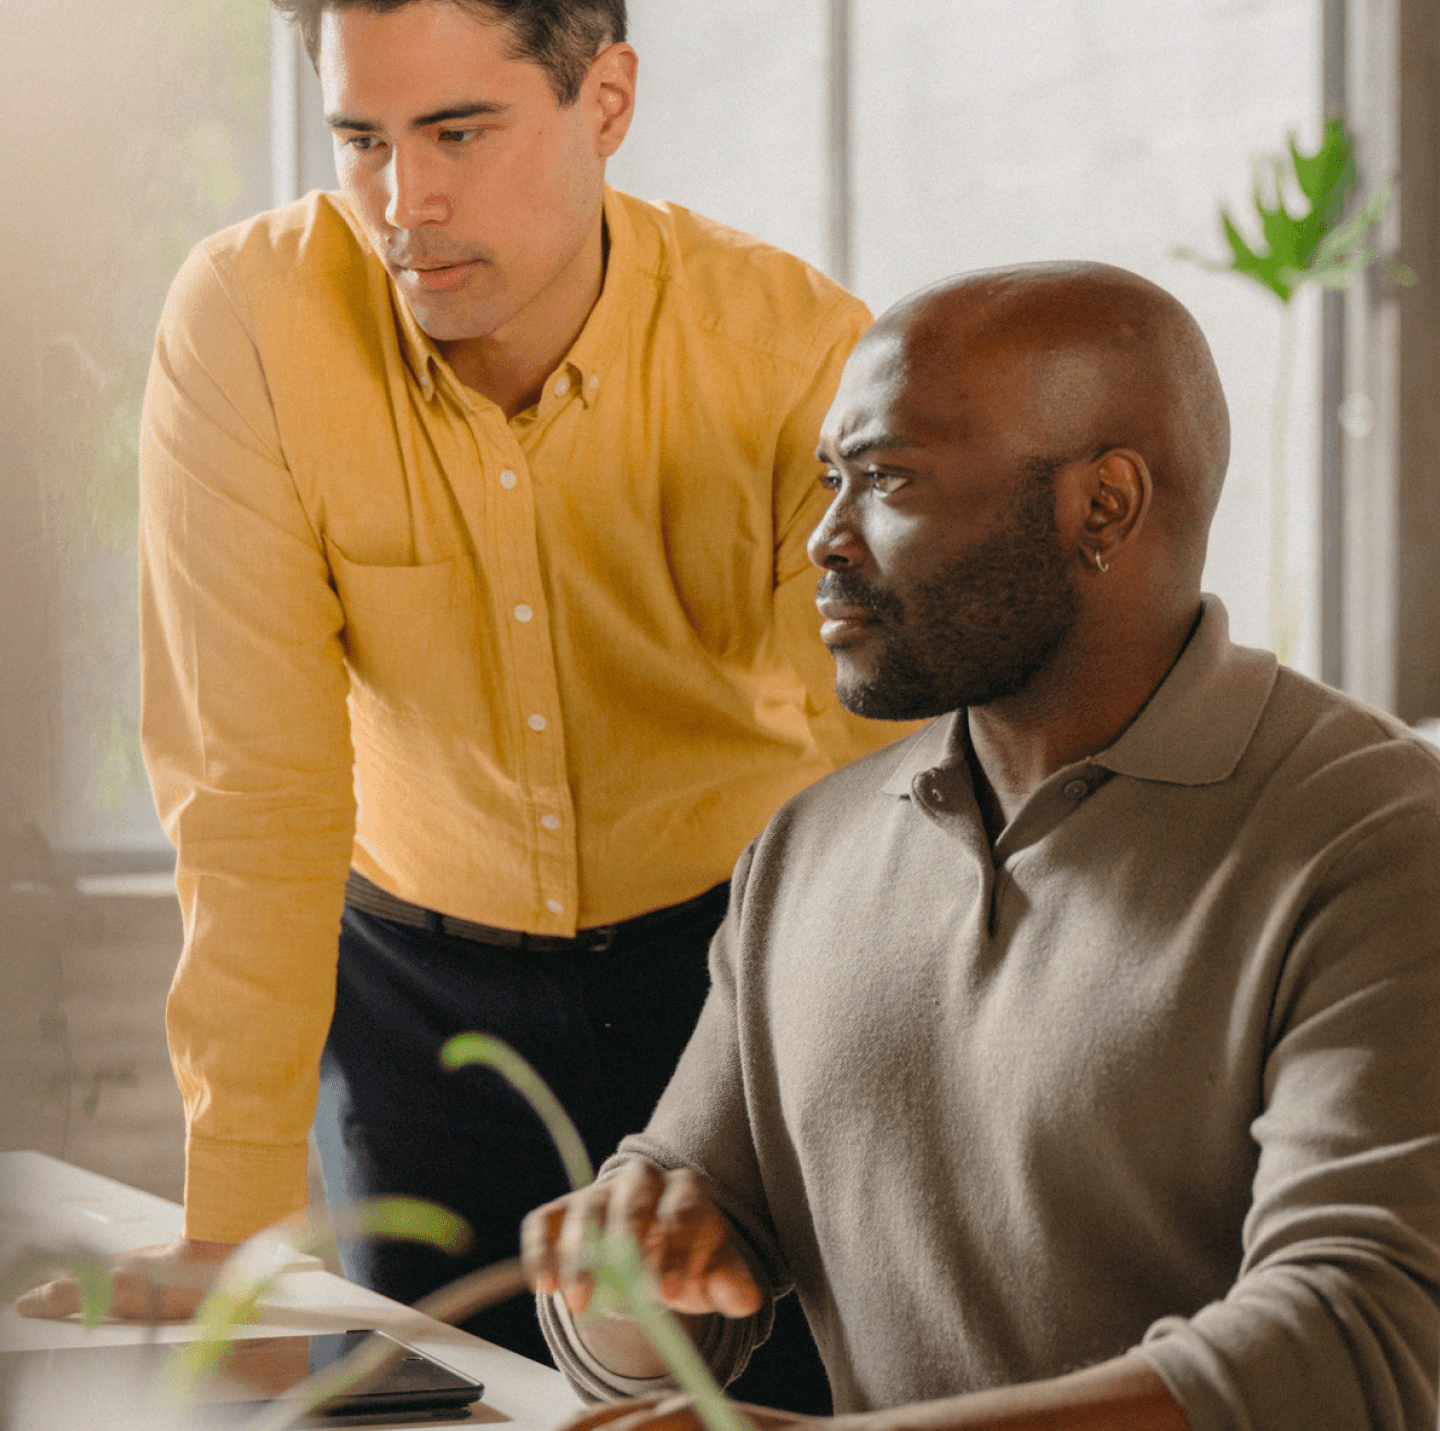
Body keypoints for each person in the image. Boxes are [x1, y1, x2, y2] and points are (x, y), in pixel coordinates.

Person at [16, 0, 909, 1395]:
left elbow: (883, 806)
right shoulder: (251, 326)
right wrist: (235, 1230)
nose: (402, 201)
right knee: (429, 1411)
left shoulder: (797, 362)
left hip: (731, 985)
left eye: (456, 131)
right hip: (413, 1006)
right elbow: (254, 789)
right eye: (360, 140)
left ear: (605, 101)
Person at [523, 262, 1440, 1431]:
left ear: (1102, 504)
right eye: (832, 479)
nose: (824, 539)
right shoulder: (808, 849)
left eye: (888, 480)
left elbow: (1357, 1346)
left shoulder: (1379, 837)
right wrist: (628, 1279)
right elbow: (653, 1308)